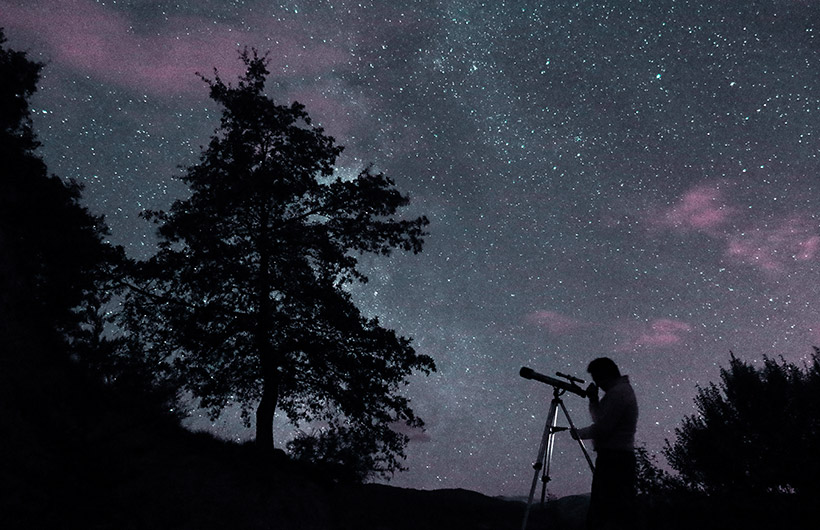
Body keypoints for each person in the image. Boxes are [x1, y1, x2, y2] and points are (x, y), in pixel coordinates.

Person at [571, 357, 638, 530]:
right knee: (614, 512)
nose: (598, 385)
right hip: (617, 458)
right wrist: (593, 400)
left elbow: (603, 427)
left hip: (615, 459)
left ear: (605, 375)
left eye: (598, 379)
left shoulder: (618, 393)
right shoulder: (618, 392)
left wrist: (578, 434)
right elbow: (600, 419)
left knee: (604, 513)